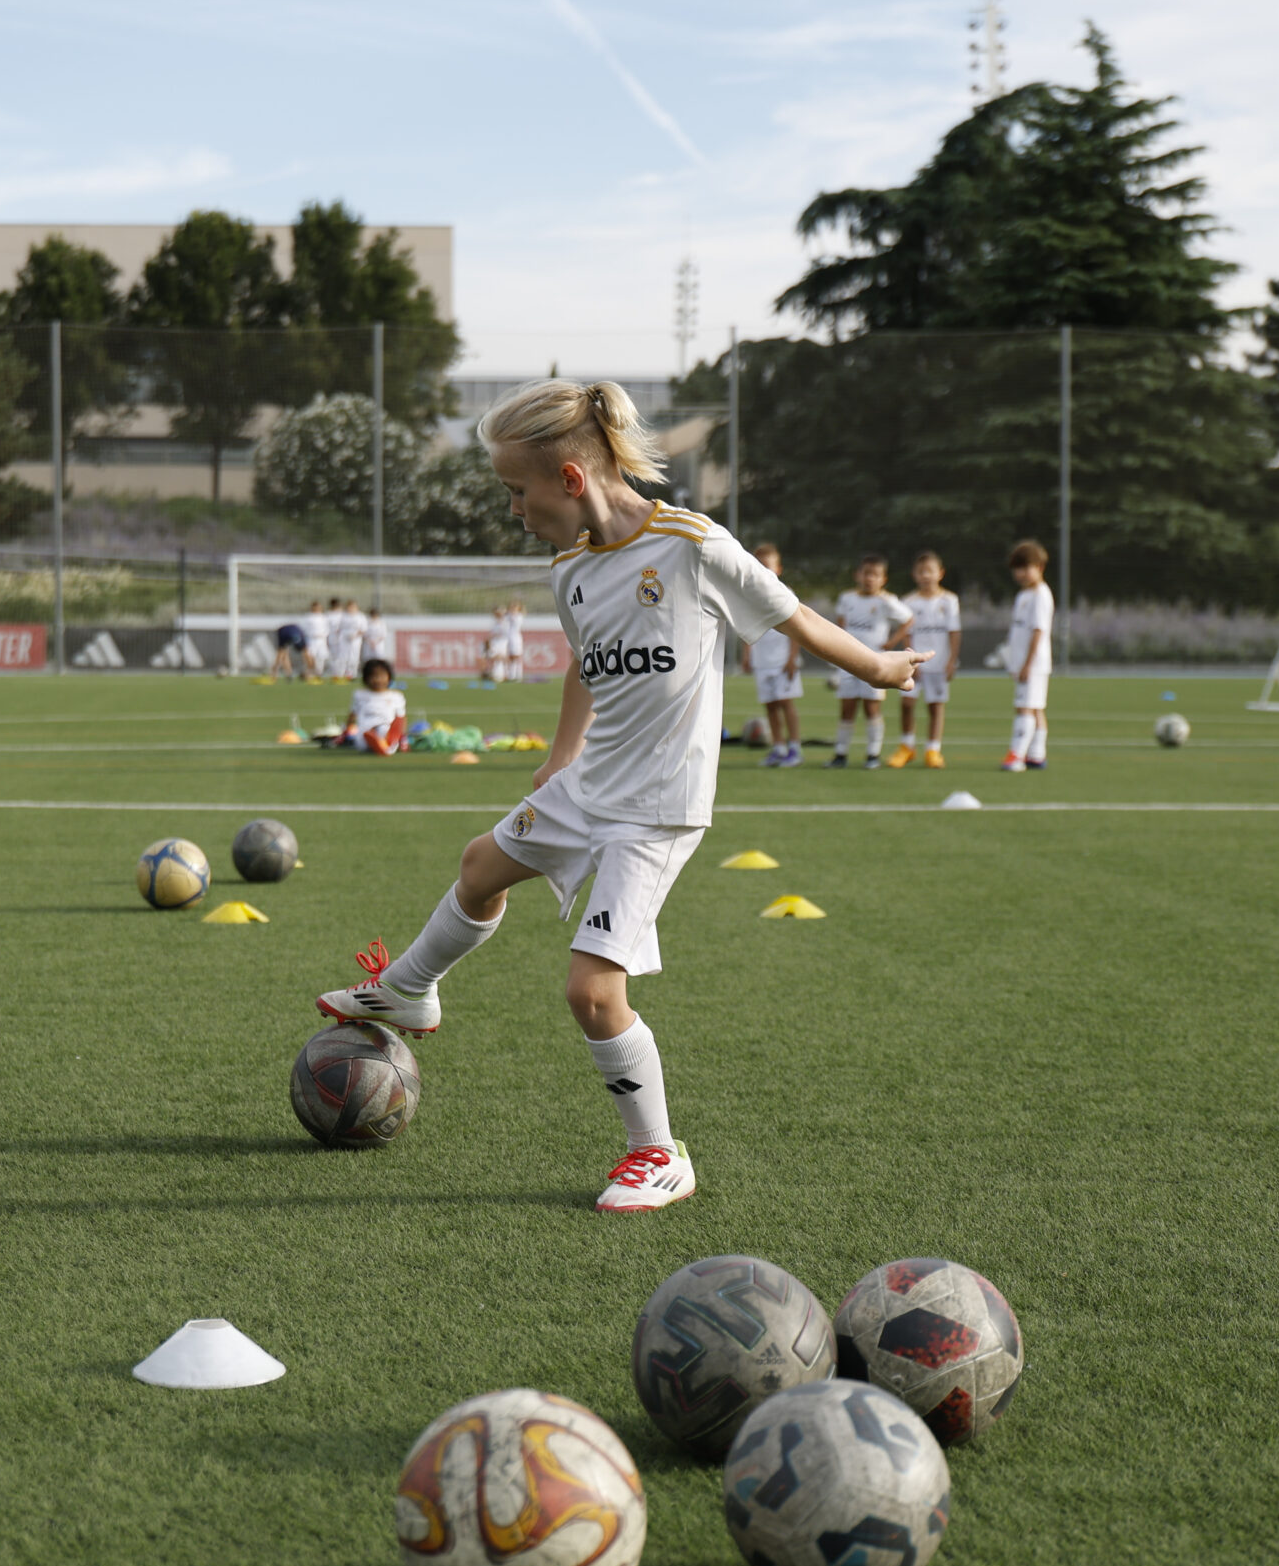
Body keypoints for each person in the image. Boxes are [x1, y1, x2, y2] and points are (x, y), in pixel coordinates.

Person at [312, 381, 924, 1212]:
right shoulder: (569, 566)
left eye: (516, 491)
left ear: (570, 479)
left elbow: (795, 617)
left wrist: (880, 668)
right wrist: (559, 758)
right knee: (480, 867)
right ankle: (410, 991)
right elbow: (583, 662)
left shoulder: (692, 544)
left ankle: (658, 1154)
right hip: (589, 783)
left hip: (658, 807)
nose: (514, 511)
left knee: (593, 993)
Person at [829, 554, 910, 769]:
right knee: (847, 708)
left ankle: (873, 755)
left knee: (872, 709)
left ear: (883, 579)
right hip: (848, 661)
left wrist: (892, 641)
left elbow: (908, 619)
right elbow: (840, 624)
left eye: (875, 575)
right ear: (857, 575)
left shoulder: (886, 600)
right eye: (866, 573)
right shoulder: (847, 598)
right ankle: (840, 754)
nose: (870, 579)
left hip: (874, 663)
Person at [888, 551, 962, 768]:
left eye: (930, 571)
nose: (925, 575)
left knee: (935, 706)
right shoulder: (909, 601)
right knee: (907, 703)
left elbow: (954, 632)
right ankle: (907, 747)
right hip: (915, 663)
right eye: (921, 571)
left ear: (940, 573)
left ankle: (933, 749)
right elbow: (907, 632)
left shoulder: (949, 600)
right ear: (914, 575)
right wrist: (910, 659)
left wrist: (952, 661)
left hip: (939, 663)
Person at [737, 542, 804, 767]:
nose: (764, 570)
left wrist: (792, 658)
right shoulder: (750, 597)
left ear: (778, 569)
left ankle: (794, 748)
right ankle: (778, 747)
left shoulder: (786, 594)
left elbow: (797, 629)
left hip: (782, 661)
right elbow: (747, 628)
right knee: (770, 706)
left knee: (786, 704)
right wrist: (747, 656)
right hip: (762, 662)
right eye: (759, 565)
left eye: (768, 566)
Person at [1002, 539, 1054, 771]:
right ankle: (1036, 755)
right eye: (1017, 569)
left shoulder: (1041, 594)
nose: (1021, 574)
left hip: (1033, 663)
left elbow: (1038, 631)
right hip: (1023, 662)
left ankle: (1016, 755)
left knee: (1024, 707)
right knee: (1035, 707)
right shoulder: (1023, 595)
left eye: (1026, 568)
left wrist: (1027, 664)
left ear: (1039, 567)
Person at [342, 657, 409, 755]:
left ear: (389, 677)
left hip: (387, 730)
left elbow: (400, 720)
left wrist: (402, 736)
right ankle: (382, 745)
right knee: (365, 738)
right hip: (365, 732)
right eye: (374, 676)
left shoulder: (396, 696)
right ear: (366, 678)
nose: (378, 680)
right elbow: (353, 715)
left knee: (383, 729)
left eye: (382, 676)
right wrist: (346, 732)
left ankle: (385, 744)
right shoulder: (360, 695)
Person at [332, 599, 367, 682]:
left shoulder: (360, 616)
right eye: (349, 607)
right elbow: (338, 628)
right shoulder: (343, 616)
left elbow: (364, 629)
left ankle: (352, 674)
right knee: (342, 657)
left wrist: (355, 635)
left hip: (355, 640)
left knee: (353, 657)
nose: (351, 609)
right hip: (344, 639)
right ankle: (340, 674)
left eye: (353, 607)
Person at [301, 599, 331, 680]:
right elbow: (304, 629)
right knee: (311, 656)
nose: (317, 609)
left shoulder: (324, 617)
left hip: (321, 640)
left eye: (319, 607)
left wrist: (324, 635)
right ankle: (310, 674)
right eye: (316, 607)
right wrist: (311, 634)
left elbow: (327, 629)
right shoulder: (308, 617)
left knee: (321, 657)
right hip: (312, 640)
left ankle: (319, 673)